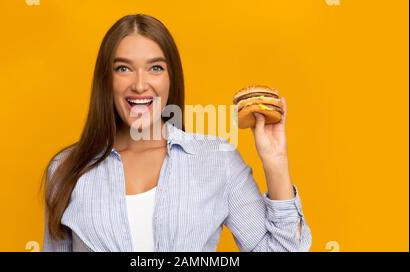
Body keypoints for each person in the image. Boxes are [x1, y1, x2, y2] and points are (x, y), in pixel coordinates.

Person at [42, 13, 312, 252]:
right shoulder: (66, 169)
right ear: (106, 79)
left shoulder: (217, 160)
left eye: (155, 68)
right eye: (123, 68)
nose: (139, 84)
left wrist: (276, 161)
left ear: (171, 78)